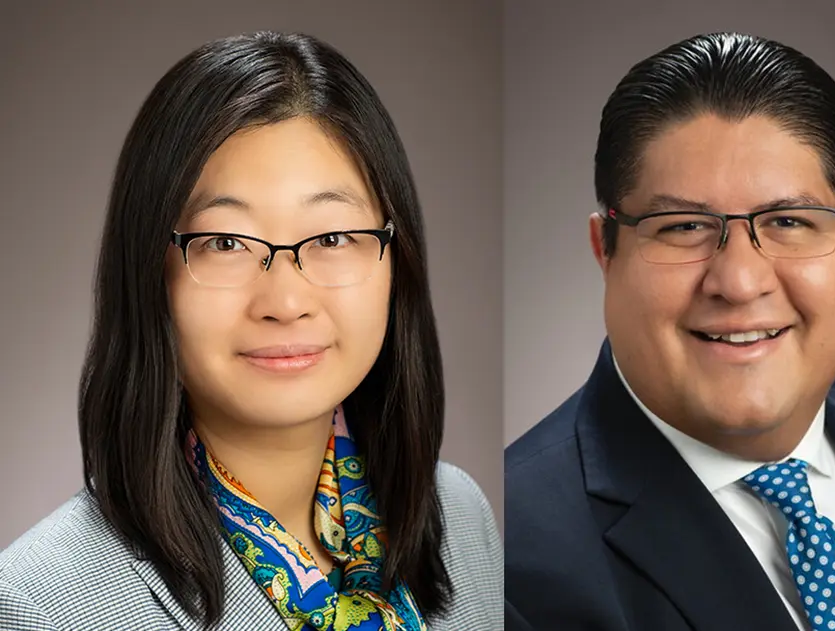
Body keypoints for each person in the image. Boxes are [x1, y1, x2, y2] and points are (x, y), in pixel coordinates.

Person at [0, 31, 501, 631]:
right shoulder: (41, 605)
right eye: (225, 243)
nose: (286, 301)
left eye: (333, 237)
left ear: (400, 260)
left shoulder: (462, 518)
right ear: (146, 273)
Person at [504, 31, 835, 631]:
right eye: (683, 226)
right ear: (604, 250)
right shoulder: (511, 553)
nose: (739, 281)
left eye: (790, 220)